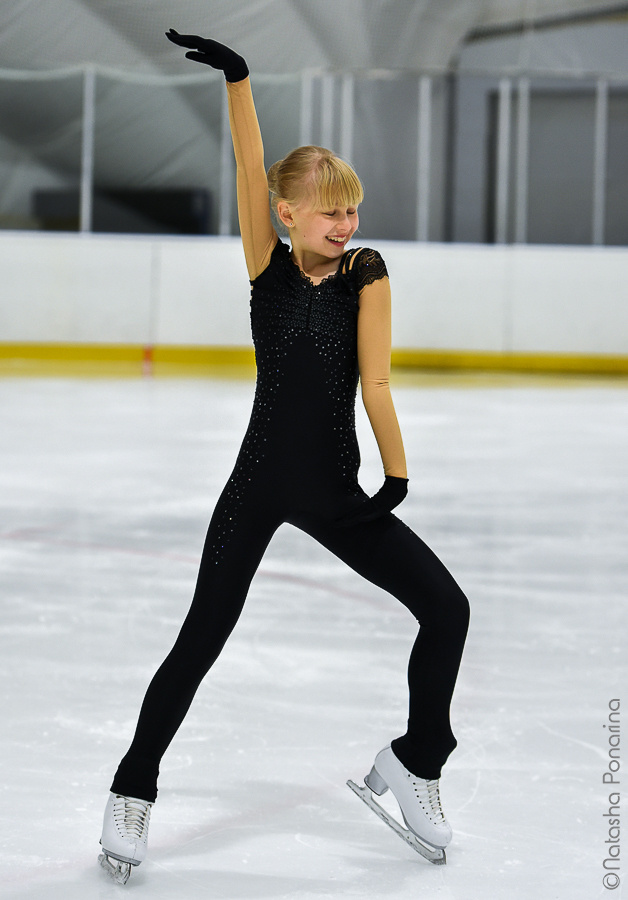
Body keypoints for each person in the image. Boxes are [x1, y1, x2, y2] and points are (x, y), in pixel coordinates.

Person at [98, 30, 470, 882]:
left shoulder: (367, 273)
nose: (348, 223)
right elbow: (249, 159)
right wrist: (239, 80)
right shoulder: (264, 269)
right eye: (331, 210)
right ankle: (132, 789)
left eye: (353, 208)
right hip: (259, 483)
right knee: (201, 637)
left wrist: (398, 473)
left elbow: (375, 382)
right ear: (289, 212)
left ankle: (416, 762)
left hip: (338, 491)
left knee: (447, 612)